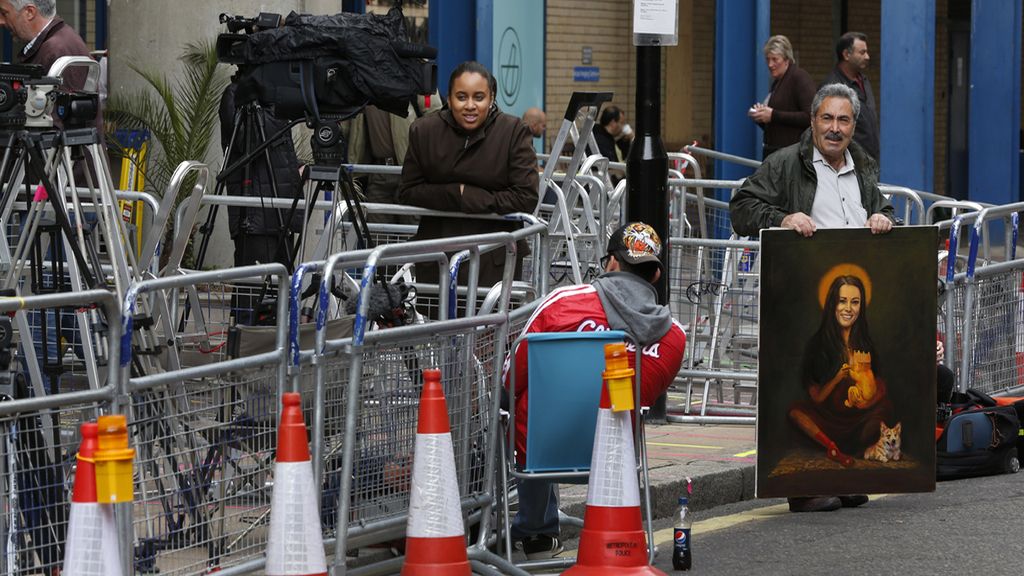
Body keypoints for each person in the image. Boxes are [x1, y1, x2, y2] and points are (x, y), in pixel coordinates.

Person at [503, 222, 687, 558]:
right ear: (655, 275)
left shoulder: (562, 302)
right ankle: (618, 534)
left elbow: (511, 378)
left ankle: (534, 532)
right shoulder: (673, 335)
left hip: (540, 450)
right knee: (619, 411)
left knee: (517, 406)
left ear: (612, 263)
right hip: (615, 453)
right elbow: (642, 398)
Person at [398, 61, 538, 293]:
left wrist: (469, 196)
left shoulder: (513, 131)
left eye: (479, 97)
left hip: (494, 260)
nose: (470, 106)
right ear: (449, 98)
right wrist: (455, 194)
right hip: (437, 256)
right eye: (461, 97)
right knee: (435, 317)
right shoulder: (424, 131)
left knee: (490, 317)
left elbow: (526, 197)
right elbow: (408, 191)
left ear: (491, 98)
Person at [730, 82, 895, 238]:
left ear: (853, 127)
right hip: (804, 259)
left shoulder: (862, 165)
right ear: (813, 121)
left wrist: (882, 218)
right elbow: (741, 209)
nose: (835, 128)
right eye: (827, 118)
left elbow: (885, 211)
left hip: (857, 259)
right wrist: (783, 220)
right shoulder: (785, 163)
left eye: (843, 120)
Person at [787, 274, 893, 512]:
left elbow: (878, 386)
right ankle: (804, 492)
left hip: (857, 417)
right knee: (796, 413)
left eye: (855, 302)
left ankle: (844, 482)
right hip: (827, 417)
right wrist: (838, 377)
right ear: (832, 304)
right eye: (842, 301)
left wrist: (866, 401)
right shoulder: (818, 345)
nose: (848, 308)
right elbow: (816, 397)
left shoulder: (865, 344)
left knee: (884, 410)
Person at [218, 79, 305, 324]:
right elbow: (246, 144)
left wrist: (296, 169)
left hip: (280, 210)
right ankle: (248, 339)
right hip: (255, 215)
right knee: (254, 296)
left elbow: (276, 153)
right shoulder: (236, 95)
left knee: (280, 290)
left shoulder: (272, 97)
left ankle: (276, 338)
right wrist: (262, 99)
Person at [345, 94, 441, 224]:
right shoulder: (361, 83)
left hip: (410, 172)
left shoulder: (415, 80)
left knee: (411, 230)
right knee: (377, 231)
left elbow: (435, 116)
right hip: (377, 173)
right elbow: (344, 121)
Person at [748, 35, 816, 158]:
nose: (770, 64)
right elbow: (779, 124)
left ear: (787, 59)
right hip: (775, 153)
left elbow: (810, 116)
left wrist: (773, 115)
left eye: (775, 59)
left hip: (792, 156)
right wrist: (761, 116)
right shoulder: (777, 82)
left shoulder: (799, 78)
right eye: (767, 59)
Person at [0, 0, 89, 91]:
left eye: (4, 13)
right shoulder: (60, 42)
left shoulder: (57, 51)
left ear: (30, 12)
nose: (1, 21)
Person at [822, 32, 879, 162]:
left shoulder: (864, 81)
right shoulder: (832, 86)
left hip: (870, 161)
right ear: (846, 54)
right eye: (862, 52)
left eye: (867, 52)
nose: (867, 57)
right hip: (848, 162)